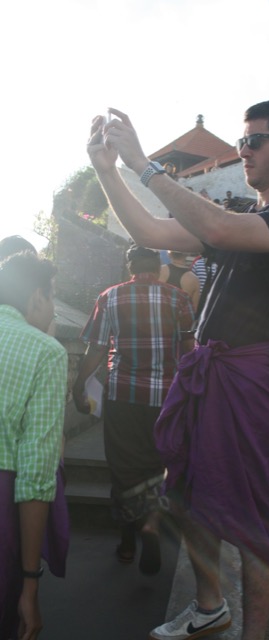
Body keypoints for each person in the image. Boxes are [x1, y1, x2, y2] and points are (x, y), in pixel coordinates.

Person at [87, 100, 269, 640]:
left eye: (254, 141)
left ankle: (254, 634)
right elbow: (150, 230)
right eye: (241, 141)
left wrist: (145, 165)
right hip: (210, 372)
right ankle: (210, 606)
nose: (243, 151)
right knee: (189, 493)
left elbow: (216, 229)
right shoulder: (248, 216)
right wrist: (107, 170)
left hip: (253, 381)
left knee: (254, 518)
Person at [72, 245, 194, 574]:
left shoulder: (110, 297)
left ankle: (126, 542)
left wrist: (79, 383)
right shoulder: (178, 298)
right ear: (159, 267)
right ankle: (152, 523)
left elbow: (97, 347)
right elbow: (188, 350)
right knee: (158, 463)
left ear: (130, 267)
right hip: (166, 399)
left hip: (122, 397)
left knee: (123, 468)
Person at [0, 252, 68, 640]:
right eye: (53, 296)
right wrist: (30, 581)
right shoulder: (45, 352)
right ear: (37, 298)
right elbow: (36, 477)